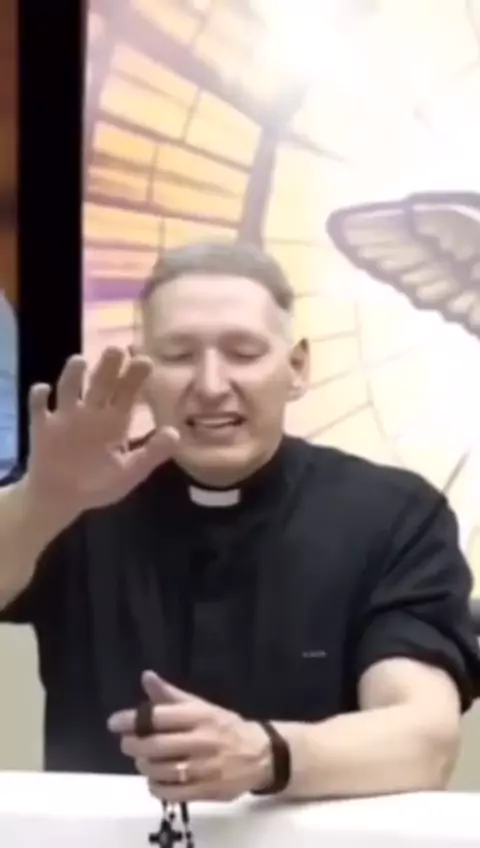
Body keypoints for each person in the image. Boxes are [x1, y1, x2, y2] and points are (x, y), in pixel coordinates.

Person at [0, 241, 479, 806]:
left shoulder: (395, 515)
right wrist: (42, 500)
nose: (210, 385)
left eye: (243, 353)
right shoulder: (77, 495)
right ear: (141, 371)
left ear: (296, 368)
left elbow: (423, 739)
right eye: (178, 355)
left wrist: (264, 754)